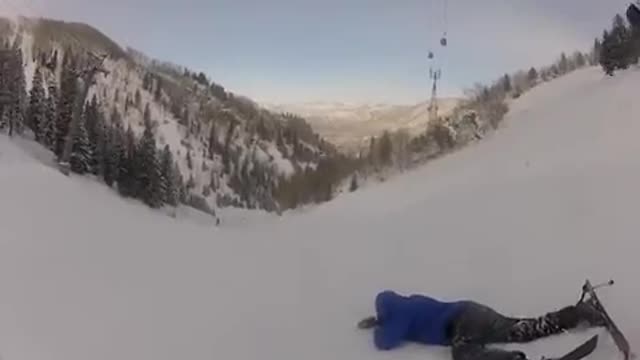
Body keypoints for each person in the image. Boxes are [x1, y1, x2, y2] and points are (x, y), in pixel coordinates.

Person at [358, 290, 605, 360]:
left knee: (463, 353)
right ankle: (576, 314)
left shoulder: (402, 313)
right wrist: (380, 320)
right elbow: (396, 322)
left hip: (461, 324)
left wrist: (379, 327)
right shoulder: (409, 302)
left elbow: (385, 342)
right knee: (521, 329)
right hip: (473, 312)